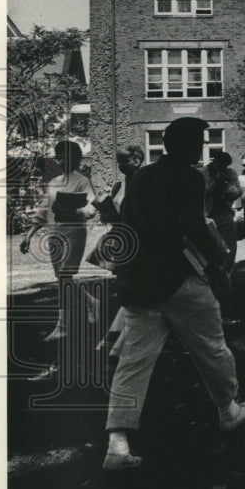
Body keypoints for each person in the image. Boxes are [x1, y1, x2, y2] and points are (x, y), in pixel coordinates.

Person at [103, 117, 245, 470]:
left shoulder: (140, 176)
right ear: (185, 144)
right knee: (211, 347)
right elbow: (192, 224)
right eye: (199, 141)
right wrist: (219, 259)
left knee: (133, 361)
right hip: (178, 278)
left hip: (139, 281)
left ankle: (118, 443)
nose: (201, 148)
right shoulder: (189, 176)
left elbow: (125, 221)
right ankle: (228, 409)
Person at [20, 140, 99, 342]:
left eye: (66, 156)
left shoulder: (82, 181)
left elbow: (91, 209)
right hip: (54, 236)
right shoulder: (53, 182)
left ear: (77, 158)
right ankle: (92, 303)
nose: (61, 160)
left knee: (65, 277)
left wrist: (72, 211)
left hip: (74, 234)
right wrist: (29, 235)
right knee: (63, 279)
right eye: (59, 156)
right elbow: (43, 212)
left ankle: (63, 325)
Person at [95, 144, 145, 353]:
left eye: (124, 160)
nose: (121, 165)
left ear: (137, 160)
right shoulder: (121, 184)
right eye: (119, 162)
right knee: (127, 289)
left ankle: (118, 341)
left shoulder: (144, 182)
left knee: (133, 289)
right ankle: (118, 339)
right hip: (123, 239)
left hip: (139, 242)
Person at [203, 151, 243, 312]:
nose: (222, 167)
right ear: (214, 162)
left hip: (224, 214)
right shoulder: (203, 173)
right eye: (219, 164)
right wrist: (215, 184)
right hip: (207, 215)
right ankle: (211, 289)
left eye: (225, 165)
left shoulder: (230, 173)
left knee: (229, 250)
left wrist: (225, 184)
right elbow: (202, 192)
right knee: (209, 253)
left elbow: (236, 192)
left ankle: (226, 284)